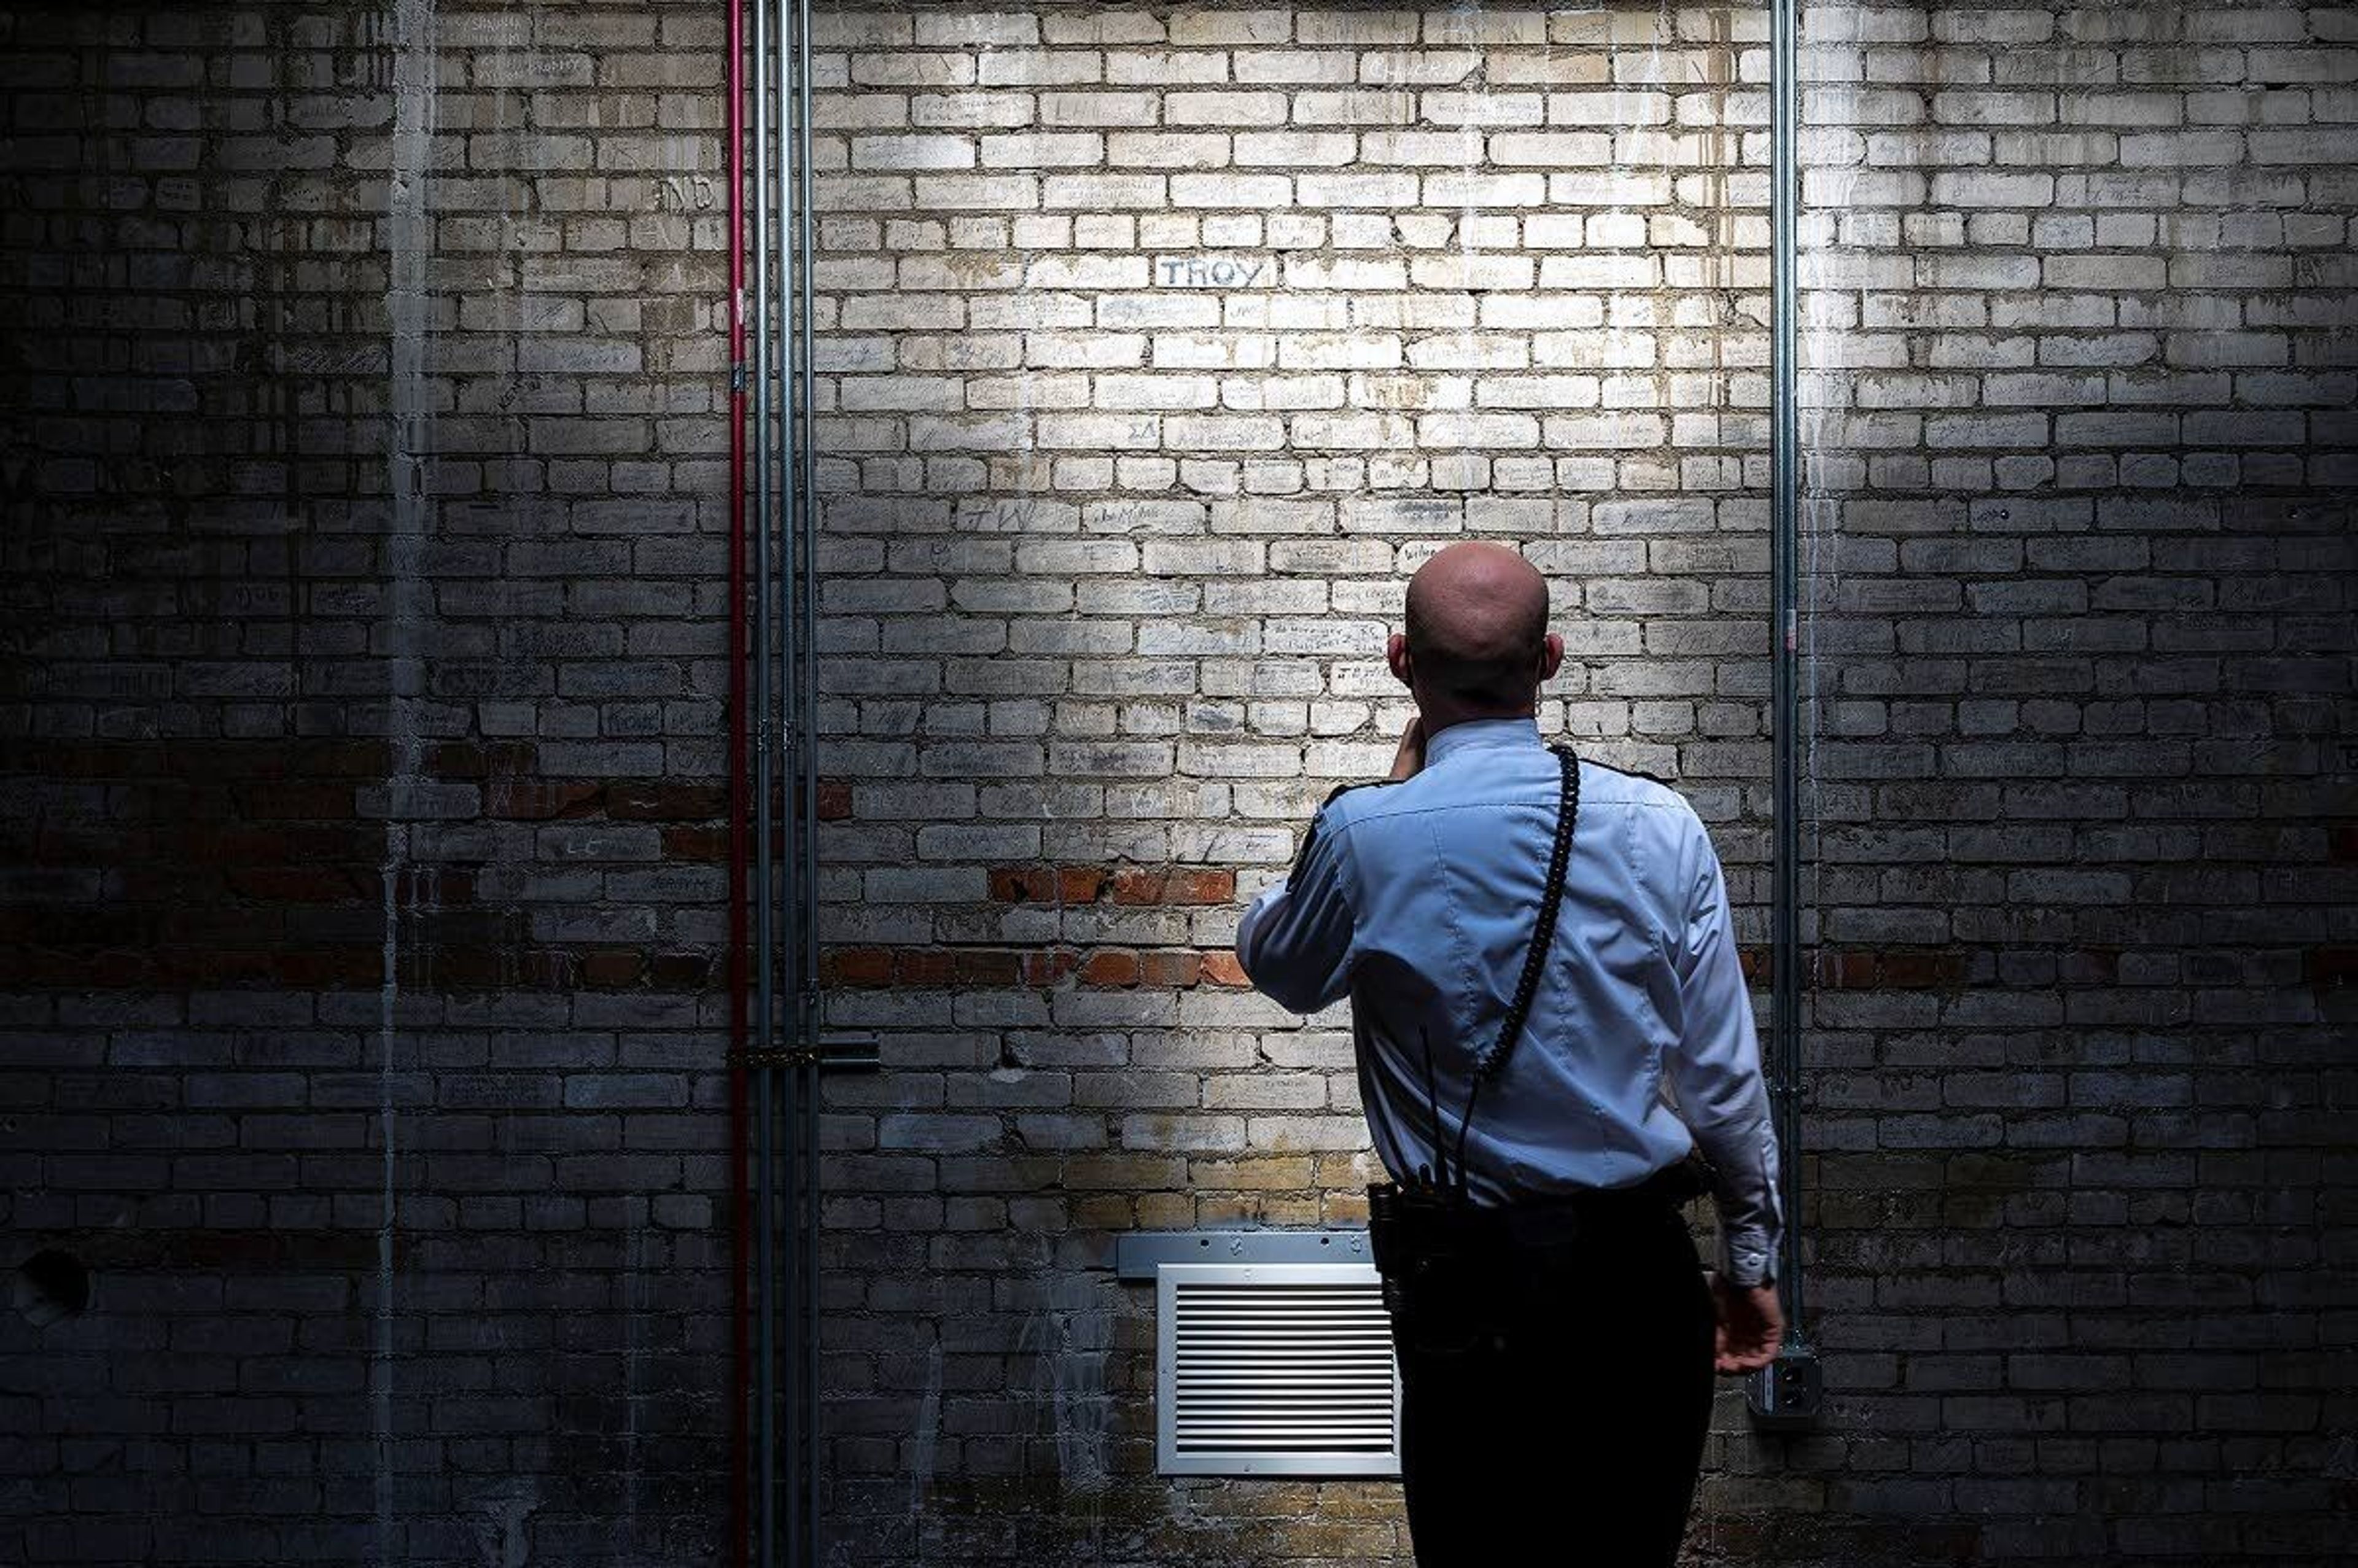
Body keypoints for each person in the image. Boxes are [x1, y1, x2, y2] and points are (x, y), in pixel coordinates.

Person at [1233, 541, 1785, 1566]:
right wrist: (1749, 1258)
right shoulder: (1660, 826)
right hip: (1636, 1274)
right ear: (1553, 660)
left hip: (1467, 1281)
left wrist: (1384, 793)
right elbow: (1724, 1077)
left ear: (1402, 661)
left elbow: (1281, 963)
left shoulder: (1364, 835)